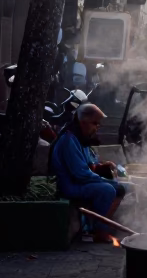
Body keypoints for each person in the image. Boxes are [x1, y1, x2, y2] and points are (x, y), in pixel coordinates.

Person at [50, 102, 126, 243]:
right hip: (70, 186)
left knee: (120, 187)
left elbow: (90, 165)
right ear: (83, 122)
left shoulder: (81, 139)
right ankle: (100, 231)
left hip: (79, 182)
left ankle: (100, 227)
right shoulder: (69, 140)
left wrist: (102, 167)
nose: (97, 128)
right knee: (107, 190)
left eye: (98, 124)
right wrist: (103, 180)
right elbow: (81, 174)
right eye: (94, 123)